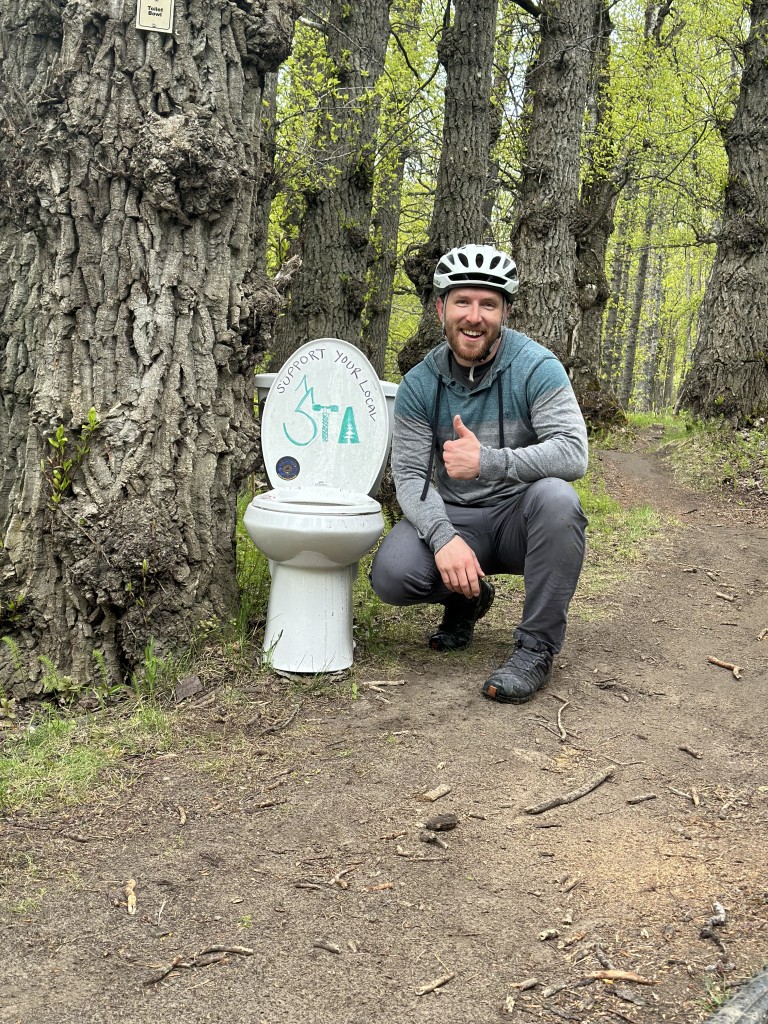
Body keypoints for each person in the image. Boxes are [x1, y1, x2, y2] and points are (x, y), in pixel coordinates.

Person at [370, 243, 589, 704]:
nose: (474, 316)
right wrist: (443, 536)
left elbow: (573, 454)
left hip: (518, 517)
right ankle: (466, 598)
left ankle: (535, 649)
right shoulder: (418, 385)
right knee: (393, 575)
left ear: (504, 311)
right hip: (455, 517)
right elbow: (409, 475)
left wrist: (489, 460)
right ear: (440, 308)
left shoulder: (537, 367)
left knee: (558, 500)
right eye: (462, 302)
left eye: (488, 304)